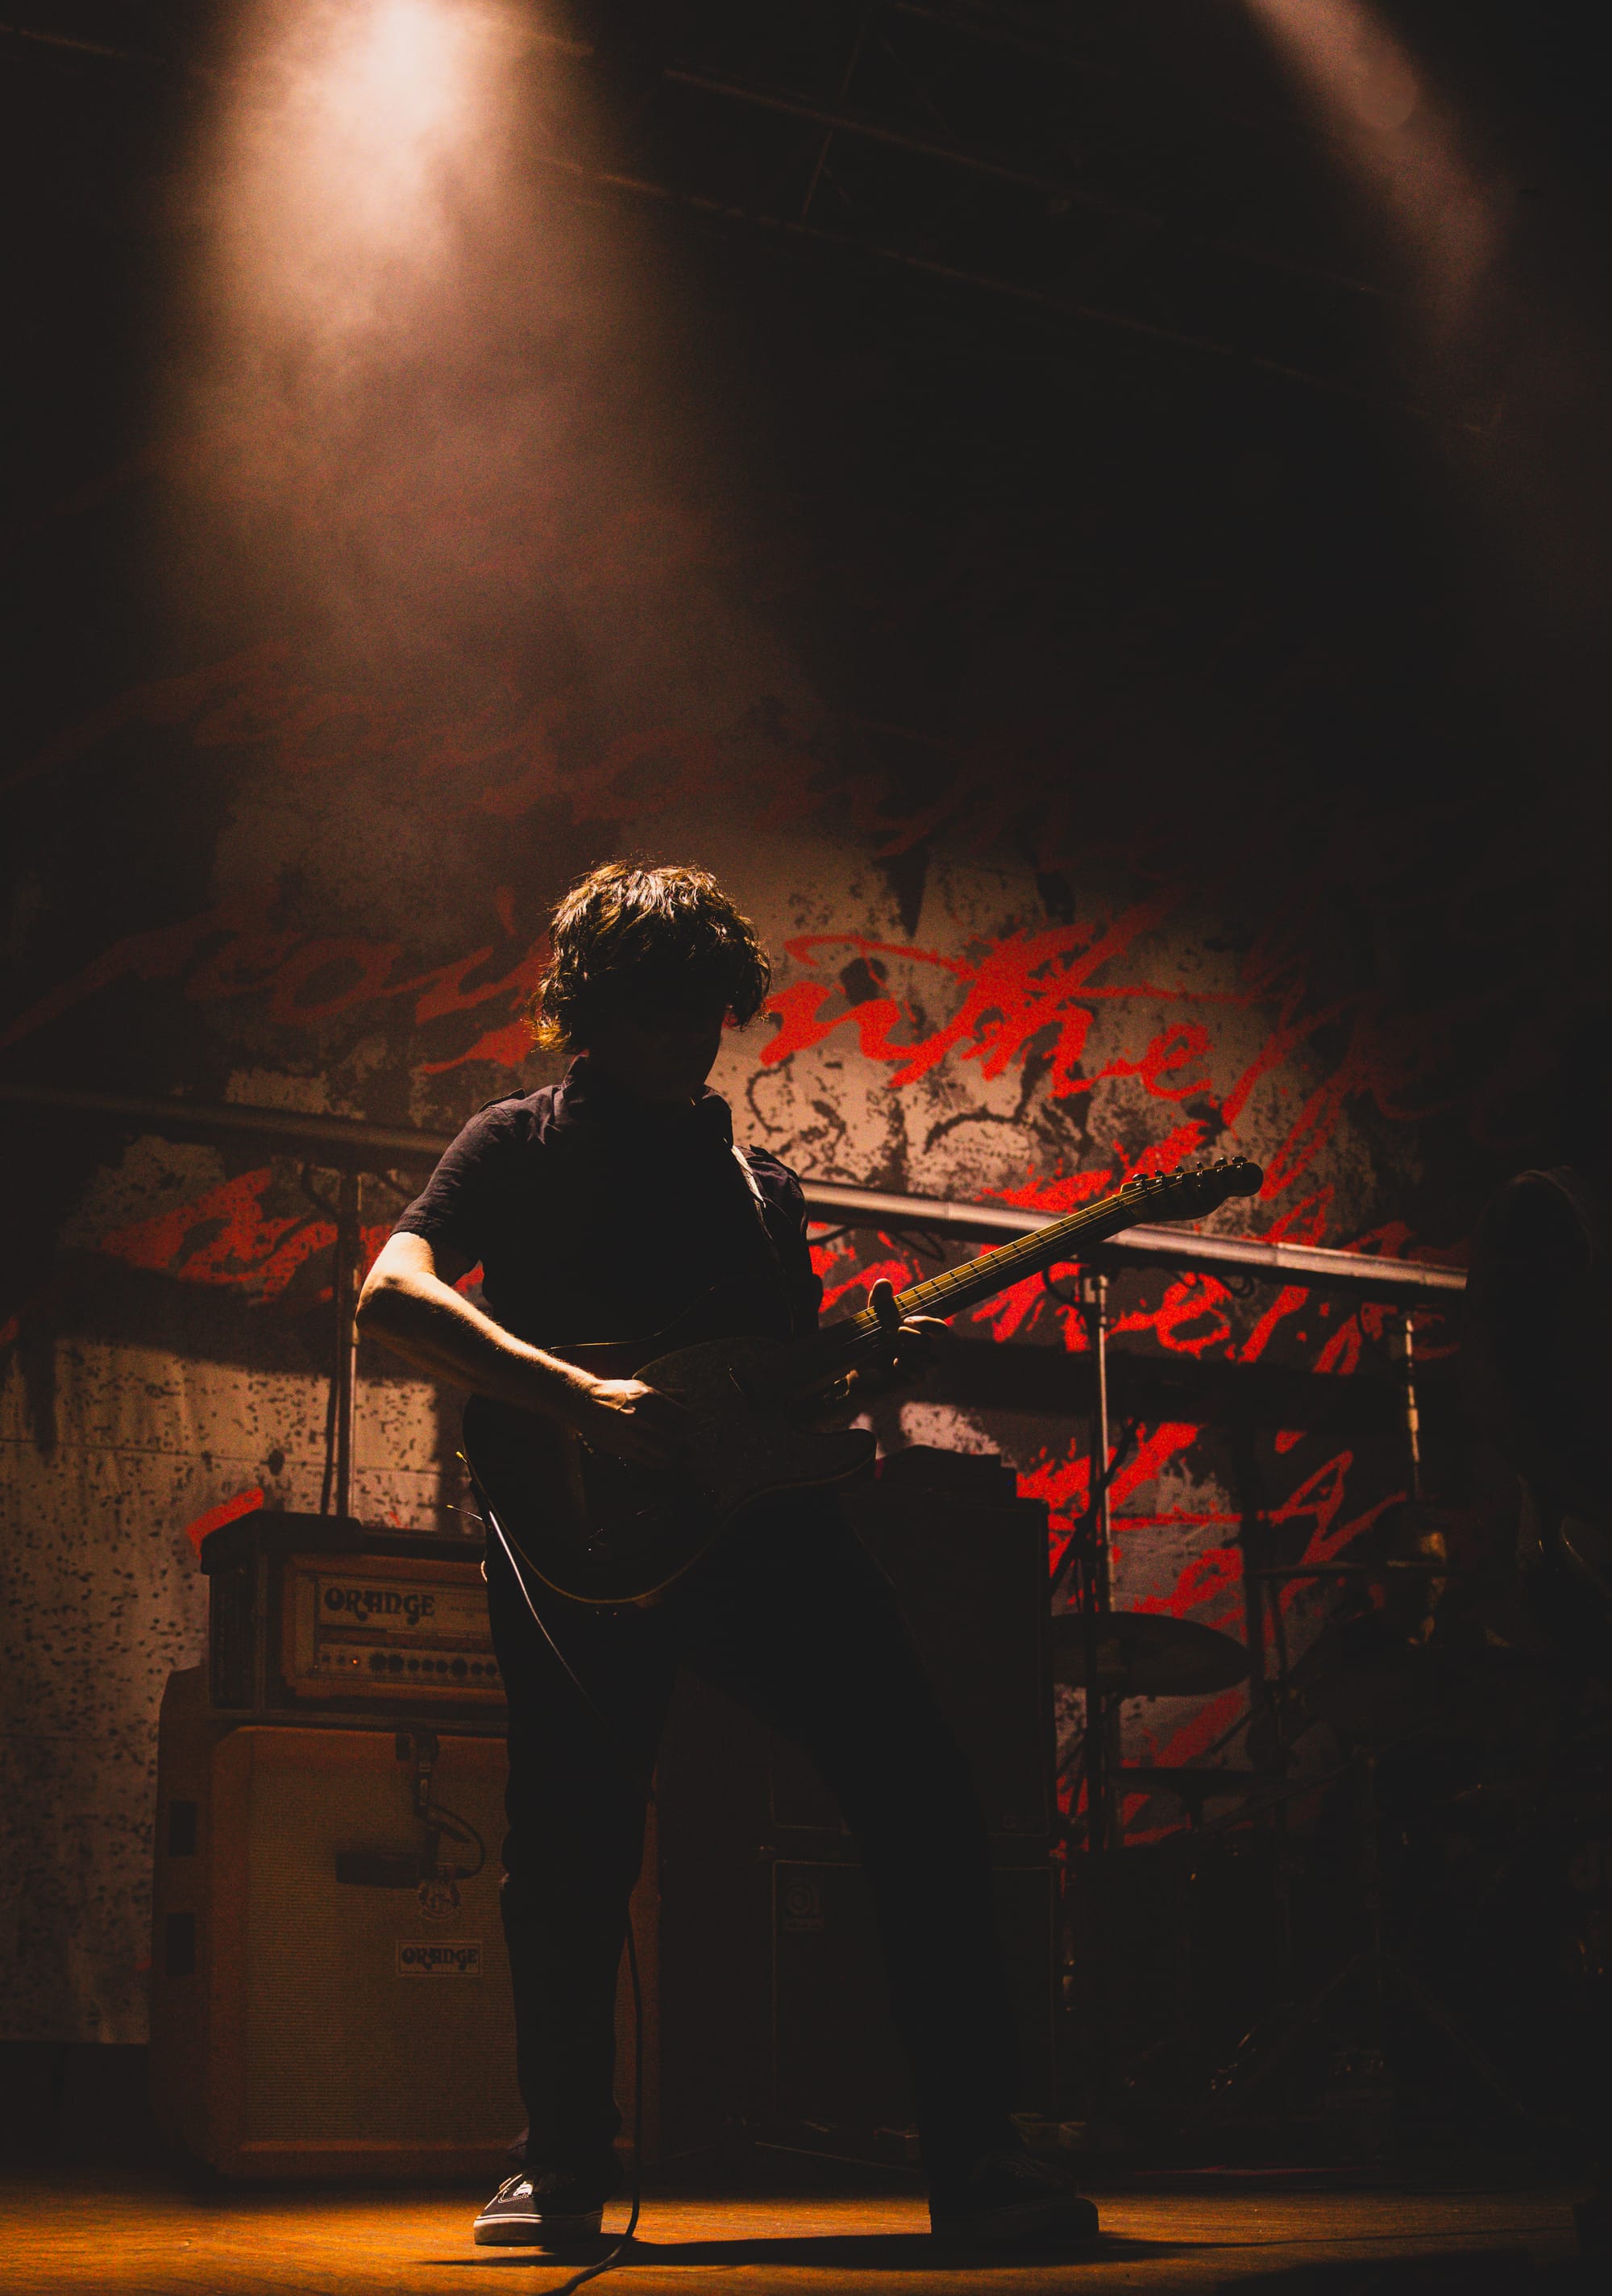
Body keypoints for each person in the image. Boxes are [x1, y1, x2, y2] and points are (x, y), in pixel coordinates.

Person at [357, 860, 1099, 2252]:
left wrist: (861, 1371)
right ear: (590, 1008)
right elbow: (389, 1295)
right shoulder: (514, 1141)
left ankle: (979, 2155)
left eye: (703, 1008)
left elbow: (769, 1401)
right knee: (568, 1846)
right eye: (653, 1007)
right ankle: (557, 2166)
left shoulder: (761, 1186)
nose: (682, 1036)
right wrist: (578, 1398)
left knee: (926, 1797)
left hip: (760, 1535)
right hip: (574, 1534)